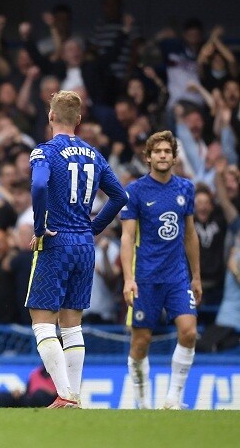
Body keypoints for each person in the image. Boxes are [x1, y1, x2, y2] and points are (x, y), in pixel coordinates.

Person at [27, 90, 127, 407]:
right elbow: (120, 196)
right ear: (79, 120)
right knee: (72, 325)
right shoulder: (94, 155)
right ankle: (74, 396)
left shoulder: (44, 152)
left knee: (43, 321)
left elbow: (39, 185)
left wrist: (39, 227)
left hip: (56, 241)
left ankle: (65, 395)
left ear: (51, 116)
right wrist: (93, 228)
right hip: (84, 245)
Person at [120, 131, 202, 410]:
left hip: (177, 276)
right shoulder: (135, 191)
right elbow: (127, 237)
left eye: (167, 151)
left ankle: (173, 399)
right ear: (148, 157)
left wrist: (196, 276)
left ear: (174, 157)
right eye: (158, 151)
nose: (163, 155)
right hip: (145, 277)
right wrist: (128, 279)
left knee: (188, 332)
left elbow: (190, 234)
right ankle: (143, 404)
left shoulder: (186, 188)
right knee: (141, 341)